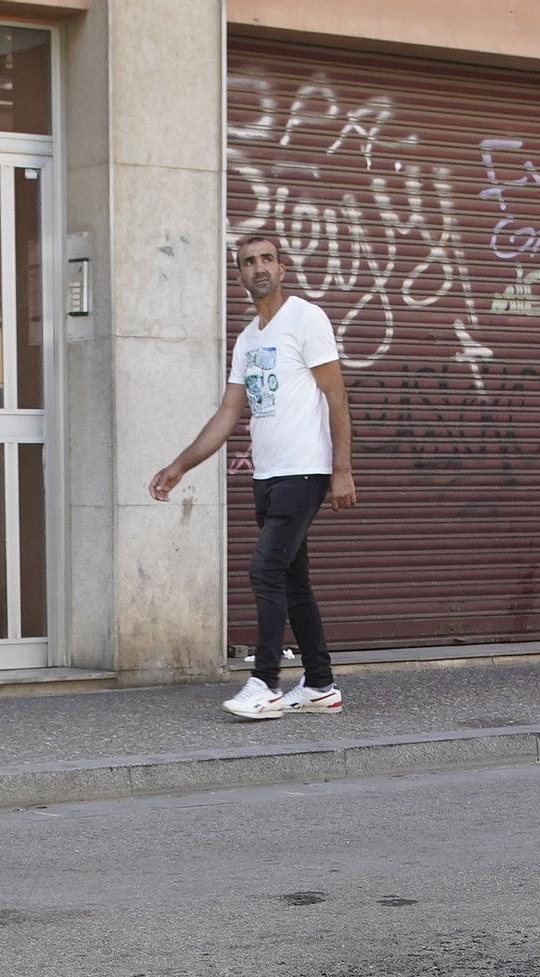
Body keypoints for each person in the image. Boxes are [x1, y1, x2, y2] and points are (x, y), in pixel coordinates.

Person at [149, 233, 356, 720]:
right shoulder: (249, 339)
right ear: (239, 274)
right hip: (268, 475)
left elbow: (337, 396)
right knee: (294, 579)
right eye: (247, 262)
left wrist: (341, 469)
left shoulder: (306, 319)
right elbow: (228, 413)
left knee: (265, 570)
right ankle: (321, 684)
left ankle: (264, 682)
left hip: (304, 471)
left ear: (283, 268)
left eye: (267, 259)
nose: (258, 268)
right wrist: (180, 466)